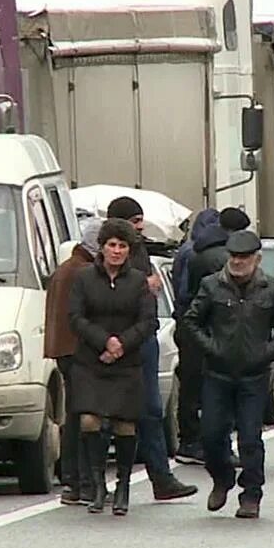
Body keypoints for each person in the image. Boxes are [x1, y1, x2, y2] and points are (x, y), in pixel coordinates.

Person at [181, 230, 274, 519]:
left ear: (256, 259)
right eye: (233, 256)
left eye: (244, 257)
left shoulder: (272, 288)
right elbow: (192, 320)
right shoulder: (211, 286)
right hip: (217, 373)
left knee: (250, 439)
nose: (238, 262)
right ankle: (222, 478)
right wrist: (211, 347)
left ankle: (251, 494)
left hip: (254, 376)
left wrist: (266, 353)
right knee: (211, 434)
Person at [104, 198, 197, 501]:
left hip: (144, 339)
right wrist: (145, 285)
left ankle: (160, 477)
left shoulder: (140, 248)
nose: (139, 227)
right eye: (133, 221)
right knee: (107, 413)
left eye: (140, 221)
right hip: (115, 344)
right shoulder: (108, 257)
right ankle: (96, 482)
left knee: (151, 410)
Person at [67, 219, 158, 516]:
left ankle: (123, 485)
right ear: (102, 248)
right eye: (111, 245)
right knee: (89, 420)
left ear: (129, 250)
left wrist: (121, 345)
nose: (116, 251)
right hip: (91, 361)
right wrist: (104, 341)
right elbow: (76, 317)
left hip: (127, 362)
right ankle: (97, 485)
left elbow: (148, 321)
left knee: (124, 424)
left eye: (122, 246)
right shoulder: (83, 279)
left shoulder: (138, 281)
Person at [175, 206, 249, 464]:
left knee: (193, 387)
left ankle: (191, 441)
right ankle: (212, 446)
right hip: (211, 329)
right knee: (217, 389)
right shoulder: (221, 258)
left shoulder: (193, 251)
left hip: (190, 326)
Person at [45, 218, 101, 505]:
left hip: (63, 349)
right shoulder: (83, 271)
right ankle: (78, 482)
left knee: (75, 413)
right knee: (83, 416)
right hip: (78, 351)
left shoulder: (65, 268)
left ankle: (73, 482)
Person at [171, 208, 220, 318]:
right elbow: (185, 291)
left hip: (183, 312)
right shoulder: (196, 252)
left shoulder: (186, 248)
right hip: (191, 313)